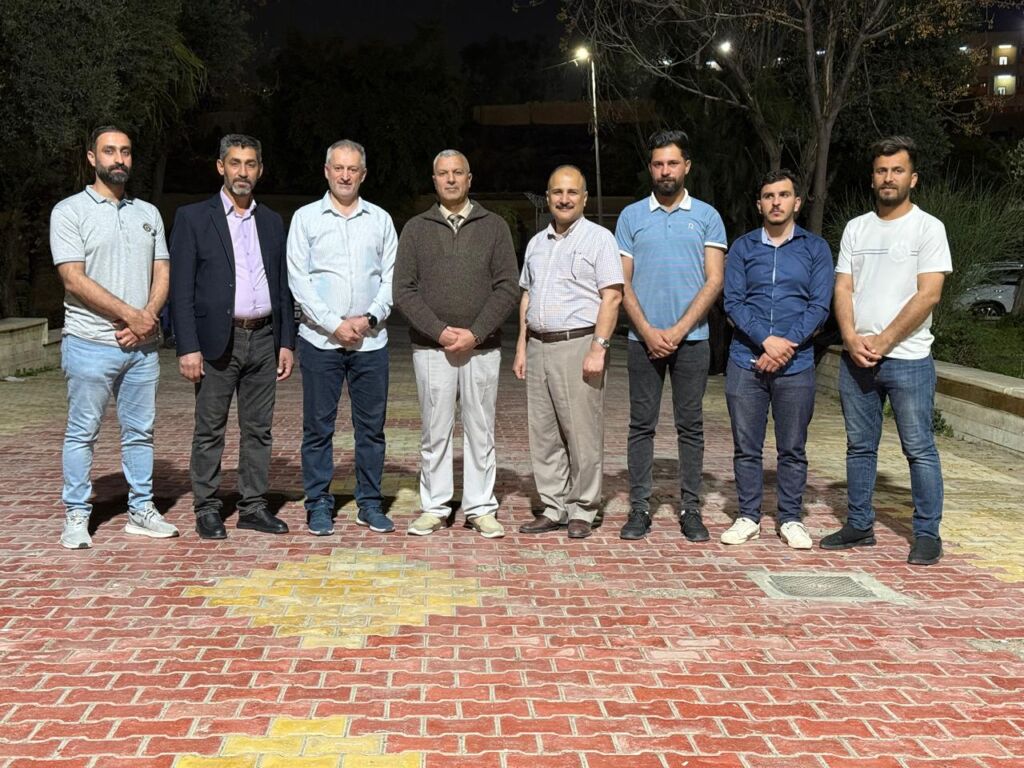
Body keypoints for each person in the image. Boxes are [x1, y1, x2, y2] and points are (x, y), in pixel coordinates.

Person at [824, 136, 951, 566]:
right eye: (882, 170)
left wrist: (884, 340)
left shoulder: (928, 228)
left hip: (909, 359)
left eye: (897, 170)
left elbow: (929, 294)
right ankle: (860, 525)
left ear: (913, 178)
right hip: (857, 358)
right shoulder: (856, 228)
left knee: (919, 448)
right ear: (872, 178)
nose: (888, 178)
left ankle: (927, 534)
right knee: (860, 447)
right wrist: (850, 337)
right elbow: (843, 287)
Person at [50, 125, 179, 549]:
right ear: (92, 157)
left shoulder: (148, 214)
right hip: (89, 343)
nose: (118, 159)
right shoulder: (69, 211)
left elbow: (162, 271)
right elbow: (73, 279)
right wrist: (131, 316)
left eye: (125, 151)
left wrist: (147, 318)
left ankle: (141, 509)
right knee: (82, 433)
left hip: (141, 349)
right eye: (109, 151)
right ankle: (76, 514)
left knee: (140, 433)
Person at [170, 134, 296, 540]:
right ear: (221, 167)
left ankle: (253, 506)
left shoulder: (271, 221)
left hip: (264, 338)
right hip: (215, 341)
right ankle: (207, 508)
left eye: (251, 164)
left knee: (259, 429)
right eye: (236, 163)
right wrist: (187, 347)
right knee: (210, 429)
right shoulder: (193, 218)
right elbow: (180, 289)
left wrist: (286, 341)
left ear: (260, 170)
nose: (243, 171)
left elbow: (282, 285)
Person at [394, 150, 519, 538]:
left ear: (469, 178)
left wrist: (475, 333)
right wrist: (440, 331)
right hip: (432, 348)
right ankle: (435, 506)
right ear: (434, 180)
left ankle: (480, 507)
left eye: (457, 173)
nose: (450, 179)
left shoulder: (494, 227)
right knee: (435, 430)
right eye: (443, 173)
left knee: (481, 429)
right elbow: (403, 290)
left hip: (482, 347)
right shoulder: (416, 229)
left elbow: (507, 287)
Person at [616, 130, 728, 541]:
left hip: (693, 341)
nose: (666, 171)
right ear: (651, 168)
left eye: (673, 163)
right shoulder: (631, 217)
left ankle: (691, 509)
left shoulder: (707, 216)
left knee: (691, 426)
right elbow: (622, 282)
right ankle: (639, 508)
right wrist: (647, 331)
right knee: (641, 426)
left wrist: (679, 330)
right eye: (659, 164)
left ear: (687, 166)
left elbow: (715, 280)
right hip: (641, 341)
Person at [287, 139, 397, 536]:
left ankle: (370, 502)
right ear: (327, 171)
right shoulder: (305, 219)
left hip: (371, 341)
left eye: (352, 169)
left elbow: (392, 277)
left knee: (371, 429)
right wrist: (334, 324)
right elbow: (298, 280)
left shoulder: (380, 220)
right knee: (318, 429)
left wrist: (369, 318)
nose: (345, 176)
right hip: (320, 341)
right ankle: (318, 503)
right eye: (339, 168)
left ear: (363, 174)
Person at [719, 169, 833, 549]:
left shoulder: (815, 249)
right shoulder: (742, 248)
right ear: (759, 204)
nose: (776, 202)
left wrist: (786, 345)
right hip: (746, 360)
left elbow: (819, 305)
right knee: (746, 446)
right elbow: (733, 302)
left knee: (793, 448)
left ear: (796, 202)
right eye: (769, 196)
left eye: (783, 195)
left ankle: (790, 518)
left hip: (796, 364)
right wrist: (766, 341)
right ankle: (748, 516)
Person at [514, 166, 623, 539]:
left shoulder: (599, 239)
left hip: (578, 344)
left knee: (581, 432)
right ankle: (553, 506)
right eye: (557, 192)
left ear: (584, 198)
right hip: (539, 345)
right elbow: (527, 295)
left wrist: (598, 348)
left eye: (572, 192)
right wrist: (521, 346)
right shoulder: (536, 243)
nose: (564, 199)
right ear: (548, 197)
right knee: (543, 433)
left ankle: (583, 508)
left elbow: (612, 297)